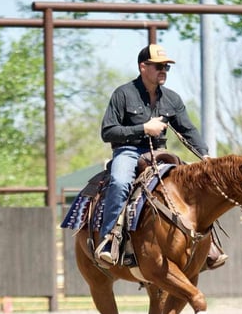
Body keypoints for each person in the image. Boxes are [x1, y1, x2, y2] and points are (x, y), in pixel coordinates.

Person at [95, 43, 227, 270]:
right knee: (119, 182)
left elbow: (188, 130)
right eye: (158, 66)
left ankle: (209, 245)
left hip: (160, 153)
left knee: (197, 184)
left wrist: (205, 155)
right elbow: (108, 132)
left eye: (166, 66)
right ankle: (110, 241)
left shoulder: (172, 99)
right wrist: (143, 128)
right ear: (143, 67)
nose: (163, 70)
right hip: (128, 152)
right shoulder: (123, 94)